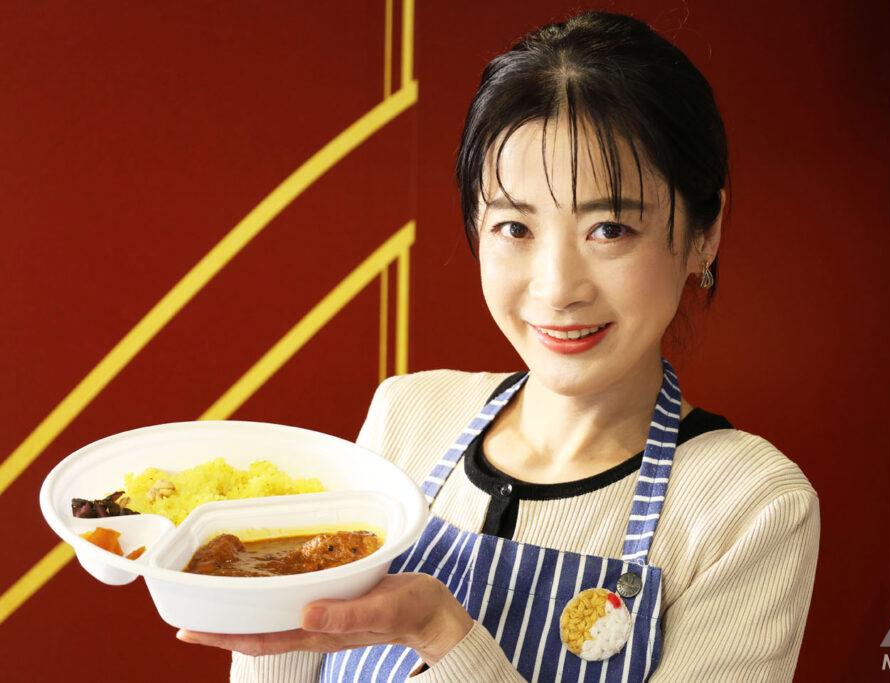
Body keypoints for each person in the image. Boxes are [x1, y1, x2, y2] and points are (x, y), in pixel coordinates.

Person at [179, 10, 820, 682]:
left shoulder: (751, 506)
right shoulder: (407, 416)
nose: (557, 288)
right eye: (515, 227)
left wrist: (441, 633)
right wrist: (269, 598)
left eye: (608, 229)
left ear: (704, 235)